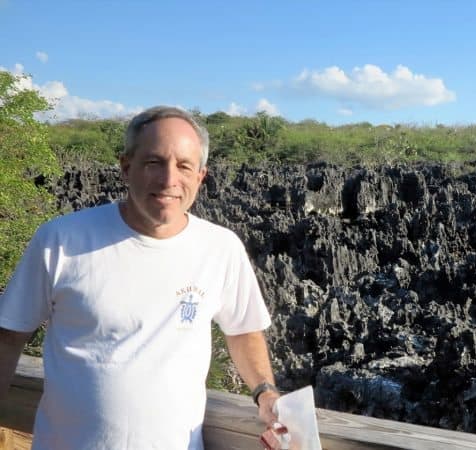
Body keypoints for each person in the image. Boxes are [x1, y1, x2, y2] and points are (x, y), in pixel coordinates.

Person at [0, 106, 286, 450]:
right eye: (154, 162)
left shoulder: (221, 248)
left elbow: (243, 332)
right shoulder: (61, 240)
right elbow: (8, 338)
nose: (169, 179)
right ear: (126, 166)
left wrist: (264, 392)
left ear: (201, 176)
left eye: (184, 165)